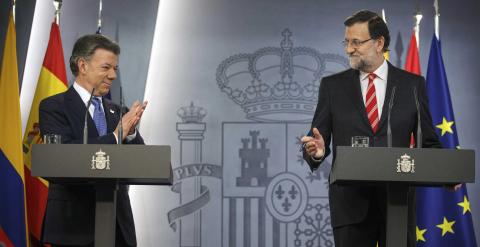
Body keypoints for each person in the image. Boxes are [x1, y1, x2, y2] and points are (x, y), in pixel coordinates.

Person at [301, 10, 442, 247]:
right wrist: (316, 152)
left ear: (379, 43)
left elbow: (428, 142)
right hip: (350, 207)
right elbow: (317, 142)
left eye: (356, 42)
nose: (348, 49)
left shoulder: (412, 85)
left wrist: (447, 172)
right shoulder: (332, 87)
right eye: (346, 42)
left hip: (397, 205)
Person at [39, 34, 147, 247]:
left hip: (118, 228)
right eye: (106, 67)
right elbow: (62, 158)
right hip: (73, 228)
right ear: (83, 65)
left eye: (115, 68)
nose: (113, 75)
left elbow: (143, 161)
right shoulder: (54, 107)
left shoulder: (119, 112)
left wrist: (131, 133)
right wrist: (117, 136)